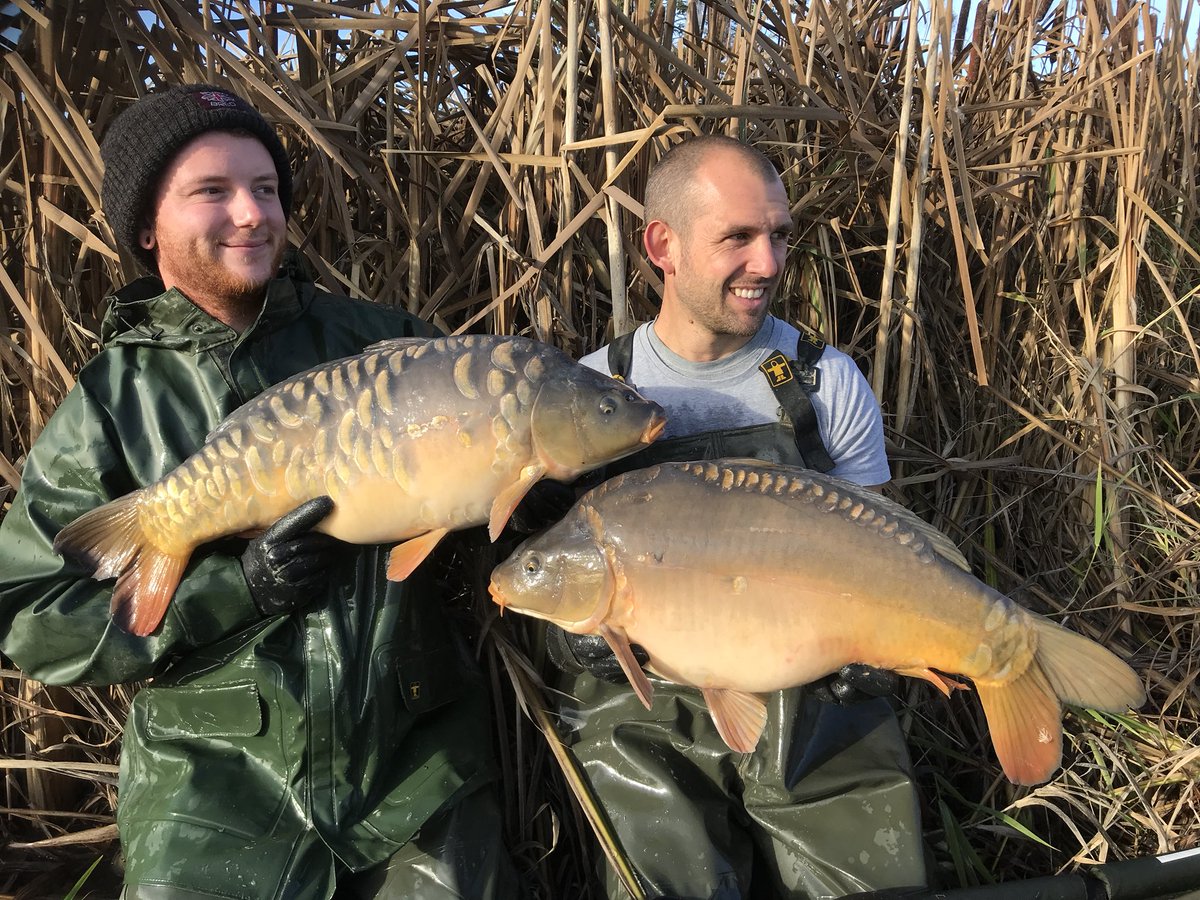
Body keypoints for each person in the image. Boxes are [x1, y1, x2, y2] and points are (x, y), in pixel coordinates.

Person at [0, 84, 517, 899]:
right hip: (212, 785)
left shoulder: (386, 343)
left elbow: (483, 497)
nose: (252, 213)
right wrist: (234, 589)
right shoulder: (108, 403)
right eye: (213, 191)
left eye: (266, 188)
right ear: (147, 228)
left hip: (415, 768)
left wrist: (535, 494)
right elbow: (31, 618)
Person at [545, 135, 928, 899]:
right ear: (664, 245)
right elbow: (558, 563)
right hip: (647, 710)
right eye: (739, 239)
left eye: (780, 235)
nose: (769, 263)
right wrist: (574, 640)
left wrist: (874, 645)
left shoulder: (822, 383)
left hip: (812, 697)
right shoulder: (592, 393)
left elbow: (886, 553)